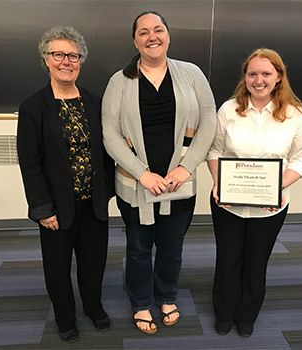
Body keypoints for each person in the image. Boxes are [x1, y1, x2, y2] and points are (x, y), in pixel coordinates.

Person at [102, 11, 216, 334]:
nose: (152, 36)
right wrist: (143, 174)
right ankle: (140, 302)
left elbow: (209, 122)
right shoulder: (119, 81)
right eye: (143, 32)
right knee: (138, 248)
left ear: (168, 35)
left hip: (180, 185)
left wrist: (186, 167)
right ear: (135, 40)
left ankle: (166, 296)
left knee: (171, 247)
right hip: (135, 185)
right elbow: (109, 134)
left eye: (158, 30)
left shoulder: (191, 73)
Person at [17, 26, 115, 343]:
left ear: (81, 61)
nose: (66, 61)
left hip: (94, 203)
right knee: (58, 268)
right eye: (58, 54)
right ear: (46, 59)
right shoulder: (33, 107)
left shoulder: (94, 102)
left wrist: (110, 191)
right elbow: (30, 164)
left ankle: (93, 308)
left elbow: (107, 152)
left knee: (93, 262)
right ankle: (65, 317)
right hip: (57, 207)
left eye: (72, 55)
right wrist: (42, 208)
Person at [207, 48, 302, 337]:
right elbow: (214, 150)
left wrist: (279, 186)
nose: (259, 79)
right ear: (245, 77)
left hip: (271, 205)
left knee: (256, 262)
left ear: (279, 77)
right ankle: (224, 312)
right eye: (252, 73)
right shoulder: (228, 110)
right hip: (227, 202)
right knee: (228, 260)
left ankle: (247, 314)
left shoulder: (295, 115)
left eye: (266, 73)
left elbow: (301, 158)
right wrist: (219, 182)